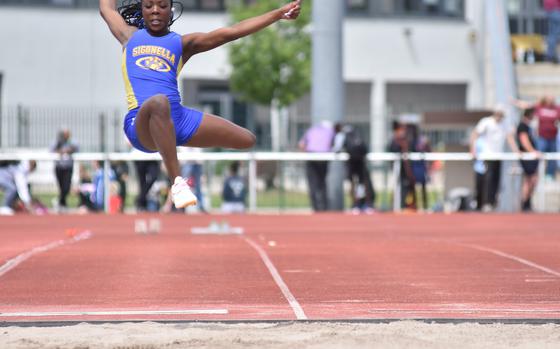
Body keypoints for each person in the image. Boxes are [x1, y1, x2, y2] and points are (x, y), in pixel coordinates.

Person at [100, 0, 301, 209]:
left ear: (171, 10)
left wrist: (278, 14)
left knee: (247, 140)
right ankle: (177, 183)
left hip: (176, 119)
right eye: (149, 6)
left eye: (161, 5)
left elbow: (232, 31)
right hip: (141, 122)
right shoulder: (129, 36)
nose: (155, 11)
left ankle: (167, 137)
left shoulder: (182, 43)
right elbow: (107, 8)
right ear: (142, 9)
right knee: (159, 102)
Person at [469, 105, 519, 212]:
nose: (499, 117)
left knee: (496, 179)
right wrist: (473, 149)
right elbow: (474, 134)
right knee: (488, 178)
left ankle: (492, 202)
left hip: (498, 156)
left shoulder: (505, 124)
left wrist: (516, 151)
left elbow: (510, 138)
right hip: (487, 155)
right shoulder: (486, 122)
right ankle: (485, 202)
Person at [512, 96, 559, 178]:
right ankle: (536, 173)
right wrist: (516, 102)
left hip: (553, 138)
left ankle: (549, 175)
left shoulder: (556, 108)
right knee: (537, 158)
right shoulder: (539, 107)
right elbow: (528, 105)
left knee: (552, 158)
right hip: (542, 138)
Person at [332, 123, 375, 213]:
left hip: (351, 160)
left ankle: (355, 205)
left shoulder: (341, 134)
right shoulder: (357, 131)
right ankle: (368, 205)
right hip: (362, 159)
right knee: (363, 182)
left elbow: (337, 149)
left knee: (352, 183)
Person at [298, 121, 335, 212]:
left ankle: (315, 207)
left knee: (312, 184)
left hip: (312, 155)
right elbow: (333, 145)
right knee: (322, 183)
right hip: (324, 157)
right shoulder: (331, 131)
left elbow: (301, 145)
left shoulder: (311, 130)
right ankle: (324, 207)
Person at [387, 121, 417, 210]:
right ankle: (399, 205)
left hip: (408, 169)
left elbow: (412, 149)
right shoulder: (396, 139)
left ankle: (410, 205)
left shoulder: (407, 139)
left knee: (409, 186)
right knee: (399, 187)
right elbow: (392, 149)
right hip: (399, 169)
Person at [516, 108, 541, 212]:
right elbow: (524, 140)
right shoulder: (522, 125)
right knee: (529, 179)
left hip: (531, 156)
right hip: (527, 157)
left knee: (533, 179)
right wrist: (532, 151)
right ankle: (524, 203)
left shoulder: (530, 126)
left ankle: (527, 202)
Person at [51, 128, 79, 212]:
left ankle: (60, 202)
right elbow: (51, 150)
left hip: (68, 167)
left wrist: (69, 150)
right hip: (59, 167)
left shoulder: (72, 142)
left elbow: (77, 148)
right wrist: (60, 150)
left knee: (66, 187)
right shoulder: (57, 142)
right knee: (61, 187)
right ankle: (63, 203)